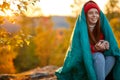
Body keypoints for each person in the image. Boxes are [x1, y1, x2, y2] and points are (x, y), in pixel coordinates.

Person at [55, 1, 120, 80]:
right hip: (84, 62)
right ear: (85, 15)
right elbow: (79, 51)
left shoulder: (100, 28)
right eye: (90, 13)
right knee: (99, 56)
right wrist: (95, 49)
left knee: (111, 58)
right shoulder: (80, 30)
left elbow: (104, 46)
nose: (94, 15)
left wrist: (105, 45)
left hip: (97, 62)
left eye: (96, 13)